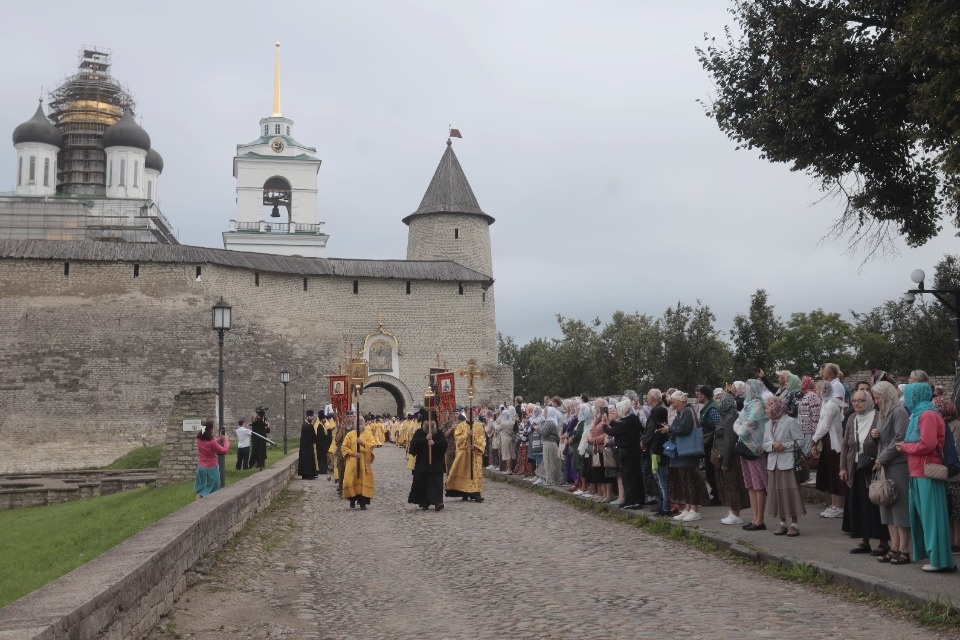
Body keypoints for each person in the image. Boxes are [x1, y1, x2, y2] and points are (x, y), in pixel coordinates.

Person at [897, 382, 957, 572]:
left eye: (908, 394)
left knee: (932, 518)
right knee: (927, 518)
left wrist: (905, 447)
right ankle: (937, 558)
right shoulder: (921, 413)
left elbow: (927, 444)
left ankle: (940, 560)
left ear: (915, 396)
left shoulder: (927, 414)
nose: (906, 399)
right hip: (919, 472)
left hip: (926, 472)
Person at [840, 391, 889, 555]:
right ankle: (864, 541)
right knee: (859, 504)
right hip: (855, 466)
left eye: (861, 400)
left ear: (868, 401)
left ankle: (883, 542)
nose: (856, 403)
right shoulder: (851, 418)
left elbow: (887, 440)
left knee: (876, 503)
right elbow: (845, 444)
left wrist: (878, 436)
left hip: (873, 466)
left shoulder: (879, 416)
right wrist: (843, 467)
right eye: (854, 400)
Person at [871, 381, 912, 564]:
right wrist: (875, 436)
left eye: (878, 397)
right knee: (887, 507)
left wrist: (882, 457)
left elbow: (899, 438)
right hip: (885, 465)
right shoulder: (883, 413)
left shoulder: (899, 412)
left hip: (897, 465)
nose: (876, 401)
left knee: (900, 508)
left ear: (887, 395)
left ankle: (904, 550)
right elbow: (884, 438)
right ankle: (894, 547)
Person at [660, 391, 710, 522]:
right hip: (682, 452)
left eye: (673, 401)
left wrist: (669, 429)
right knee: (685, 481)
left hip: (688, 452)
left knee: (690, 480)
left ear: (681, 401)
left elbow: (684, 429)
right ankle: (688, 509)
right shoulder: (682, 412)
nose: (672, 404)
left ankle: (694, 510)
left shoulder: (687, 411)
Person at [762, 395, 805, 536]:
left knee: (790, 493)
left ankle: (794, 524)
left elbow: (801, 441)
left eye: (768, 407)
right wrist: (772, 445)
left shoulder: (790, 421)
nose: (766, 410)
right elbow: (764, 444)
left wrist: (784, 446)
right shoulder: (767, 424)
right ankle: (782, 523)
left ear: (776, 407)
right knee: (776, 493)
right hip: (773, 464)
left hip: (787, 463)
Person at [737, 379, 770, 531]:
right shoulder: (747, 404)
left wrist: (740, 429)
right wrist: (740, 428)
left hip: (755, 448)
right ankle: (754, 518)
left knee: (758, 485)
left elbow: (746, 426)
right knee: (750, 484)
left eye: (748, 388)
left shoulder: (758, 405)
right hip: (745, 446)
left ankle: (760, 520)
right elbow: (738, 422)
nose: (745, 390)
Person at [810, 380, 846, 519]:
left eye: (818, 389)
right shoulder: (825, 404)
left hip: (834, 444)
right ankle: (834, 504)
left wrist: (814, 439)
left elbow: (825, 426)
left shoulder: (831, 405)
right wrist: (816, 439)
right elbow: (820, 424)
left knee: (836, 474)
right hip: (827, 441)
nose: (817, 392)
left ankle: (839, 506)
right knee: (830, 474)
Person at [713, 392, 749, 525]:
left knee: (732, 485)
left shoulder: (730, 418)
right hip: (728, 456)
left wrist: (725, 462)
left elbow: (729, 442)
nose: (719, 404)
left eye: (720, 402)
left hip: (730, 458)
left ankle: (735, 513)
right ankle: (732, 510)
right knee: (730, 485)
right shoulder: (730, 416)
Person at [932, 396, 960, 554]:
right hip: (944, 473)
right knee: (948, 511)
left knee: (956, 512)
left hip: (955, 475)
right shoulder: (941, 423)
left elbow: (955, 450)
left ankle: (957, 542)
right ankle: (950, 541)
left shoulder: (956, 425)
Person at [604, 398, 643, 508]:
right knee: (632, 476)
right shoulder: (632, 419)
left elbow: (613, 431)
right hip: (632, 452)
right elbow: (618, 426)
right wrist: (610, 421)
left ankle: (632, 500)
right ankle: (633, 499)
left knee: (628, 477)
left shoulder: (627, 422)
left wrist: (604, 425)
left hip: (627, 453)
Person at [408, 409, 449, 510]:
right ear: (424, 422)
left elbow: (444, 445)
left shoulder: (438, 433)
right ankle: (424, 502)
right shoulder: (419, 433)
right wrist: (424, 439)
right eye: (427, 421)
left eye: (432, 421)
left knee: (436, 482)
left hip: (435, 462)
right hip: (422, 463)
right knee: (423, 482)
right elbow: (412, 448)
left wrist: (435, 443)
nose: (430, 423)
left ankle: (438, 502)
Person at [445, 408, 487, 502]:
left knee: (475, 474)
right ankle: (464, 492)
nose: (470, 414)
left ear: (475, 413)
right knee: (464, 472)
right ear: (466, 414)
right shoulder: (461, 426)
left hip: (475, 454)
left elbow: (482, 438)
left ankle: (476, 493)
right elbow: (457, 439)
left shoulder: (479, 426)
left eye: (472, 413)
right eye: (468, 413)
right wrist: (467, 435)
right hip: (464, 454)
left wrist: (475, 446)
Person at [340, 418, 376, 510]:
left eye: (361, 420)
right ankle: (352, 499)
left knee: (363, 481)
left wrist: (362, 442)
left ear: (364, 422)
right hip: (352, 462)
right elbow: (344, 447)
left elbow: (372, 445)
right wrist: (353, 454)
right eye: (358, 421)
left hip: (363, 461)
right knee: (350, 481)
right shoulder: (350, 434)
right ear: (354, 423)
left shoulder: (368, 434)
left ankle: (362, 503)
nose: (360, 422)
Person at [695, 385, 722, 505]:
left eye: (698, 395)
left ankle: (718, 496)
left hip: (712, 444)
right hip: (707, 442)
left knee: (712, 471)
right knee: (709, 471)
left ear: (703, 395)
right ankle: (716, 494)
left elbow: (719, 426)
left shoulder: (712, 408)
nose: (697, 397)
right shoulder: (707, 407)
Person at [195, 420, 229, 500]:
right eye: (213, 429)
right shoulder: (212, 443)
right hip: (211, 469)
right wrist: (227, 441)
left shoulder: (199, 441)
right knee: (213, 490)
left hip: (201, 468)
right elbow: (224, 450)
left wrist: (218, 440)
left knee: (201, 489)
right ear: (210, 431)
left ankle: (197, 506)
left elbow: (208, 444)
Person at [297, 409, 319, 480]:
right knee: (308, 461)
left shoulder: (305, 424)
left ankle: (305, 475)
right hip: (308, 446)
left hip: (305, 447)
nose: (312, 418)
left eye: (312, 416)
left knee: (305, 461)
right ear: (307, 417)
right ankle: (309, 475)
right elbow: (313, 436)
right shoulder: (308, 426)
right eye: (311, 416)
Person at [249, 406, 270, 470]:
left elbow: (267, 429)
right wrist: (257, 415)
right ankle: (251, 464)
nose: (261, 414)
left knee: (262, 451)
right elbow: (253, 421)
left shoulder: (264, 419)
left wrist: (266, 424)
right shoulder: (255, 418)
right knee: (254, 451)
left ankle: (261, 464)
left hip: (262, 437)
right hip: (255, 438)